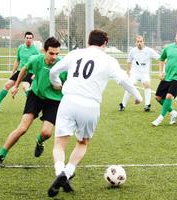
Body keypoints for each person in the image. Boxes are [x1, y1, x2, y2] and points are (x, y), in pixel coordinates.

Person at [47, 29, 142, 197]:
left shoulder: (75, 53)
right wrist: (137, 96)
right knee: (82, 143)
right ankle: (68, 172)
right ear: (105, 43)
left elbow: (53, 71)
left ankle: (59, 172)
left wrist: (57, 84)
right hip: (90, 106)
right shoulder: (109, 60)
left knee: (60, 144)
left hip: (69, 101)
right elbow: (123, 80)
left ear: (88, 41)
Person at [0, 37, 67, 168]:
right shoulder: (36, 60)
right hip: (36, 96)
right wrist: (15, 86)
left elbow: (69, 86)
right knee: (22, 128)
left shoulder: (63, 67)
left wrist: (62, 87)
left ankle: (39, 141)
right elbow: (24, 69)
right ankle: (1, 155)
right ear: (45, 51)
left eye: (57, 53)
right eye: (51, 53)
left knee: (46, 133)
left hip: (54, 101)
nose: (54, 57)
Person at [0, 32, 40, 110]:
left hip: (29, 72)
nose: (28, 39)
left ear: (32, 39)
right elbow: (17, 60)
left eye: (30, 38)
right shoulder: (20, 48)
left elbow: (38, 63)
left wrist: (35, 74)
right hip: (20, 71)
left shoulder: (36, 50)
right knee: (7, 85)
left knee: (25, 86)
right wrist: (13, 72)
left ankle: (34, 106)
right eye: (27, 38)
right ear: (24, 38)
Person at [119, 35, 160, 112]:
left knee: (147, 85)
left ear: (143, 42)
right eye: (138, 41)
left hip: (144, 73)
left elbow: (159, 58)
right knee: (130, 86)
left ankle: (147, 105)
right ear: (135, 43)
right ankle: (123, 105)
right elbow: (129, 61)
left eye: (141, 41)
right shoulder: (132, 51)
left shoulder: (149, 50)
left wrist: (165, 63)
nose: (139, 43)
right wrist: (128, 72)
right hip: (134, 73)